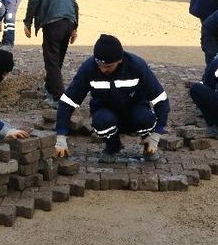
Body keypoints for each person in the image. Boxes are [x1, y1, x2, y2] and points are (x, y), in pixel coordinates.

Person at [54, 35, 170, 163]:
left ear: (119, 60)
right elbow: (68, 101)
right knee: (101, 121)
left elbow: (161, 99)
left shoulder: (136, 66)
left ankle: (148, 145)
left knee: (146, 119)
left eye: (109, 66)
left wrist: (157, 134)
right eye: (100, 65)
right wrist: (61, 135)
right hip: (105, 111)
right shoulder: (89, 68)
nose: (103, 70)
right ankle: (113, 147)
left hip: (135, 110)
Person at [23, 0, 79, 109]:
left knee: (51, 61)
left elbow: (34, 0)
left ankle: (58, 98)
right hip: (69, 22)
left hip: (53, 23)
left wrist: (27, 22)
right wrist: (75, 27)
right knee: (57, 59)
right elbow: (74, 4)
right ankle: (50, 87)